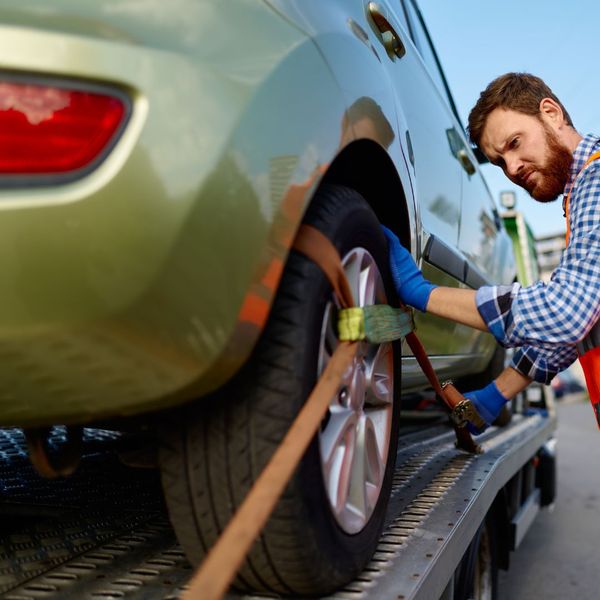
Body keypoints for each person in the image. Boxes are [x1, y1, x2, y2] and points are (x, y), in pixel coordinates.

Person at [383, 72, 600, 433]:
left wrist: (424, 293)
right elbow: (584, 325)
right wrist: (495, 394)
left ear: (551, 113)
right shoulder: (581, 192)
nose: (512, 169)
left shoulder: (596, 181)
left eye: (515, 142)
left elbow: (567, 312)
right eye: (499, 162)